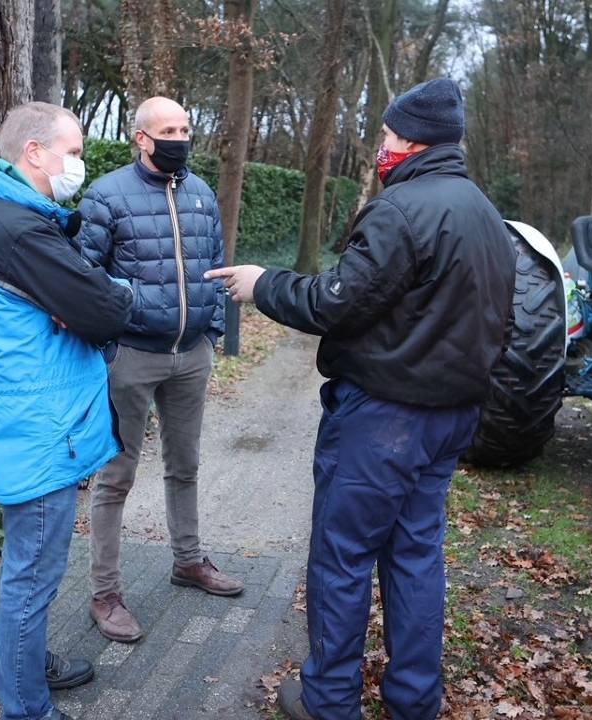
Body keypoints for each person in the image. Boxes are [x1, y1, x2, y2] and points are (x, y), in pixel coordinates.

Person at [206, 78, 517, 720]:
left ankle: (329, 699)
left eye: (384, 134)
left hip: (384, 420)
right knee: (416, 556)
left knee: (343, 556)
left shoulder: (399, 210)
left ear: (409, 139)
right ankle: (412, 701)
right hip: (451, 418)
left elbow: (336, 304)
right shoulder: (487, 215)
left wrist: (263, 284)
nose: (379, 145)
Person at [0, 101, 133, 720]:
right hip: (36, 434)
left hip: (39, 426)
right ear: (34, 153)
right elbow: (107, 312)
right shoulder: (18, 231)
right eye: (75, 150)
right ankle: (26, 706)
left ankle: (28, 667)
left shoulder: (23, 221)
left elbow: (87, 305)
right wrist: (112, 297)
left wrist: (88, 302)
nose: (80, 163)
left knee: (35, 574)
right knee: (30, 579)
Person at [77, 96, 243, 644]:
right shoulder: (106, 194)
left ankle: (187, 561)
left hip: (191, 354)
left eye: (186, 126)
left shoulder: (199, 193)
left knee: (186, 465)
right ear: (142, 139)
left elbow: (218, 267)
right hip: (132, 355)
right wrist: (112, 337)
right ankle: (105, 592)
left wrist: (213, 334)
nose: (180, 136)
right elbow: (84, 277)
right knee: (116, 475)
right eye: (167, 129)